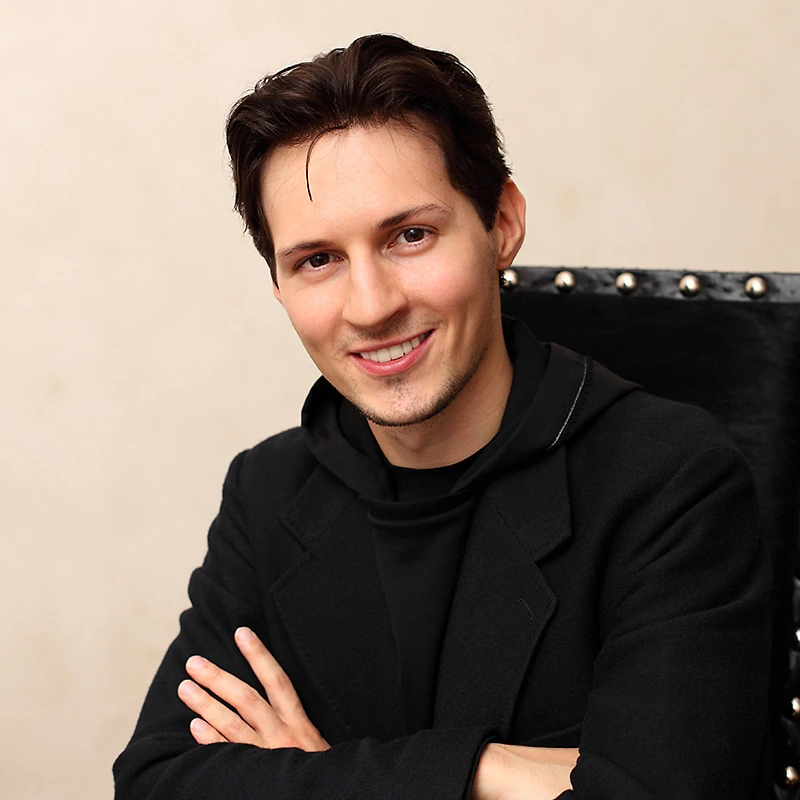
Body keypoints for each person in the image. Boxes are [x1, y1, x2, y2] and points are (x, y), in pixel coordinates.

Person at [113, 34, 772, 799]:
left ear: (503, 224)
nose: (372, 306)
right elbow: (158, 782)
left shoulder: (669, 478)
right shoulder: (268, 490)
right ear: (279, 286)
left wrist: (314, 774)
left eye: (410, 236)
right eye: (317, 260)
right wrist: (488, 772)